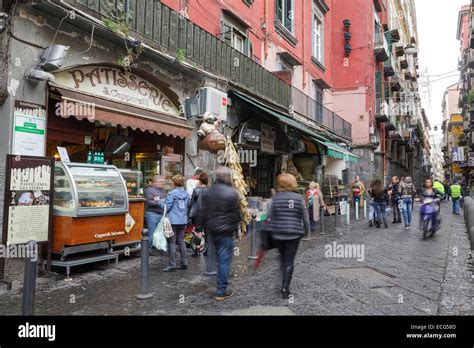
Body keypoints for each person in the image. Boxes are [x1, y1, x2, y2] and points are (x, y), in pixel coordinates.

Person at [265, 173, 309, 299]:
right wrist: (306, 232)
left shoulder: (276, 198)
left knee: (283, 257)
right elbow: (305, 218)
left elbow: (269, 216)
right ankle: (285, 288)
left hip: (278, 234)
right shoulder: (298, 198)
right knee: (289, 260)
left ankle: (283, 275)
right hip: (294, 234)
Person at [201, 167, 241, 301]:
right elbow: (237, 216)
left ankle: (214, 277)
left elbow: (202, 211)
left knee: (215, 257)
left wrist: (200, 228)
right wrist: (234, 229)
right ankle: (221, 291)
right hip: (225, 231)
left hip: (212, 230)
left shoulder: (209, 192)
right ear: (227, 177)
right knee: (224, 261)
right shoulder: (232, 193)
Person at [162, 175, 190, 272]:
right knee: (181, 241)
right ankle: (184, 262)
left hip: (173, 221)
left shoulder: (171, 194)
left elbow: (167, 207)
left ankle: (172, 264)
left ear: (174, 183)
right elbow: (187, 206)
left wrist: (160, 202)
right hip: (182, 220)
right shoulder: (186, 194)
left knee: (172, 242)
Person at [188, 172, 209, 257]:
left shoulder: (196, 190)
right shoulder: (210, 190)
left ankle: (196, 252)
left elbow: (191, 203)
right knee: (208, 233)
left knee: (198, 233)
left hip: (198, 215)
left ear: (199, 181)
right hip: (208, 215)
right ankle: (207, 251)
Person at [144, 175, 166, 253]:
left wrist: (159, 200)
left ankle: (158, 247)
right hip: (152, 214)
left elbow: (165, 199)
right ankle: (148, 250)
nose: (162, 183)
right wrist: (160, 201)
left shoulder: (163, 190)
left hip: (161, 213)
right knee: (152, 233)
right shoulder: (149, 190)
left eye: (163, 182)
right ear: (155, 182)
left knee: (160, 232)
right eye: (160, 182)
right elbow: (149, 202)